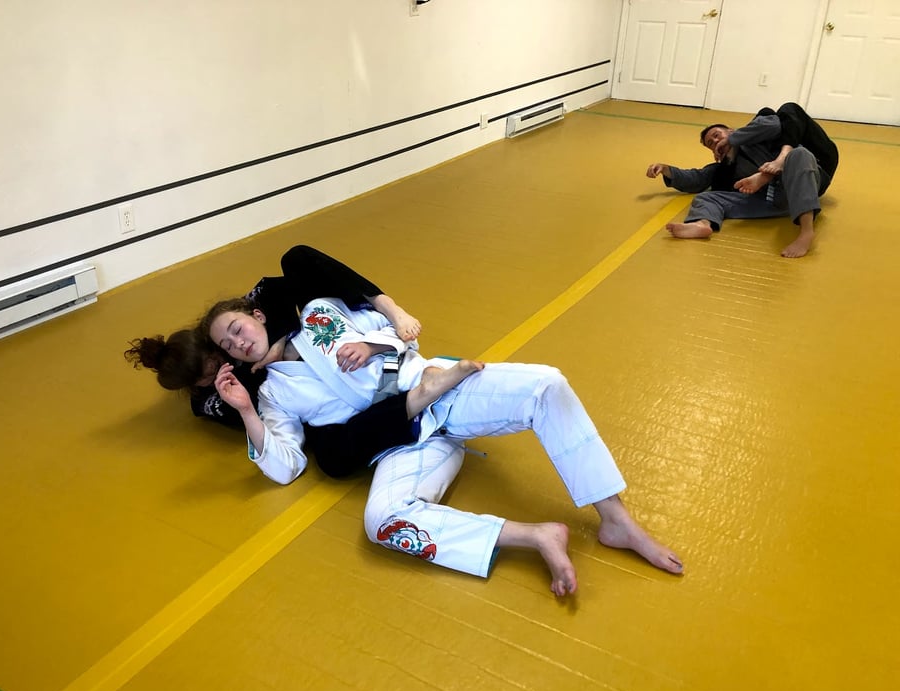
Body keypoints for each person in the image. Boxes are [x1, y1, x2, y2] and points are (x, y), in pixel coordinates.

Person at [205, 294, 685, 599]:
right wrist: (246, 411)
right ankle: (536, 536)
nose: (237, 343)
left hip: (440, 392)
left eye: (237, 329)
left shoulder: (318, 312)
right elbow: (287, 466)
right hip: (401, 446)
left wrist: (373, 346)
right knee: (382, 522)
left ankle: (616, 521)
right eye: (228, 345)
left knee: (546, 384)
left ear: (257, 316)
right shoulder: (272, 394)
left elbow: (397, 331)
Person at [125, 245, 459, 477]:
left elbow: (280, 290)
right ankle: (410, 406)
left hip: (325, 350)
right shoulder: (211, 399)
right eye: (204, 379)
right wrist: (245, 404)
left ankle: (390, 309)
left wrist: (283, 336)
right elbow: (263, 419)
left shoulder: (235, 329)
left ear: (211, 347)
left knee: (296, 258)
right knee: (330, 459)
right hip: (305, 400)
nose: (216, 372)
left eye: (215, 361)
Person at [646, 102, 838, 258]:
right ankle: (703, 224)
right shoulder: (725, 168)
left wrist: (734, 139)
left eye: (717, 136)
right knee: (706, 197)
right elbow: (697, 178)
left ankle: (806, 232)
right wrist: (666, 170)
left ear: (731, 131)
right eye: (711, 144)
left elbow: (774, 124)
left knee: (800, 154)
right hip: (771, 201)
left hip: (800, 187)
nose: (716, 142)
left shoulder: (758, 135)